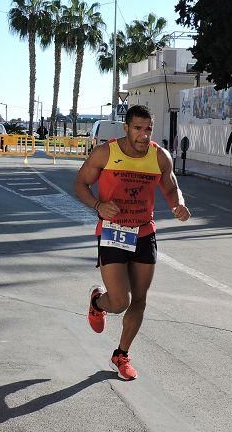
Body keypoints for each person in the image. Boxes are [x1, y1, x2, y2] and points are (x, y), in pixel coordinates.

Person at [73, 104, 191, 381]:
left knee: (139, 299)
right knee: (119, 301)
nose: (143, 135)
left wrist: (179, 205)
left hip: (143, 232)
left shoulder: (160, 156)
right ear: (126, 128)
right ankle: (98, 303)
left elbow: (171, 187)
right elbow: (80, 184)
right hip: (113, 232)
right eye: (137, 128)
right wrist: (98, 205)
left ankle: (121, 354)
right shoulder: (106, 152)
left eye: (148, 129)